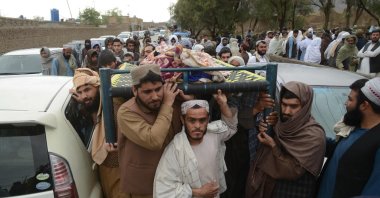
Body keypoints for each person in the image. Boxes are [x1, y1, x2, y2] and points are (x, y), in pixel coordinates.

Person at [117, 64, 190, 197]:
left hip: (175, 181)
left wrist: (189, 100)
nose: (155, 96)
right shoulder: (126, 111)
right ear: (135, 90)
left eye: (158, 89)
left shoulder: (171, 99)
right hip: (146, 186)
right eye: (147, 92)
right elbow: (154, 141)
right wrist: (167, 104)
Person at [246, 81, 326, 197]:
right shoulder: (280, 122)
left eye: (293, 106)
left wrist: (273, 145)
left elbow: (294, 170)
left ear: (305, 106)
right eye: (284, 104)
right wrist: (267, 128)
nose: (286, 111)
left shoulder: (313, 136)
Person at [154, 94, 238, 197]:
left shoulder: (214, 133)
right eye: (192, 120)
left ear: (208, 120)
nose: (197, 126)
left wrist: (223, 104)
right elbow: (163, 191)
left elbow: (230, 126)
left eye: (202, 120)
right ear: (182, 120)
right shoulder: (176, 149)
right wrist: (198, 192)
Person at [318, 77, 380, 197]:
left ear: (364, 105)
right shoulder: (353, 127)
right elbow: (339, 153)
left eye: (350, 99)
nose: (346, 103)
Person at [72, 68, 125, 198]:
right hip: (106, 170)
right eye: (80, 92)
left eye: (87, 90)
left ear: (98, 86)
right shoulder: (98, 105)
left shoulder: (115, 105)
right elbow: (97, 120)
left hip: (119, 169)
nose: (84, 96)